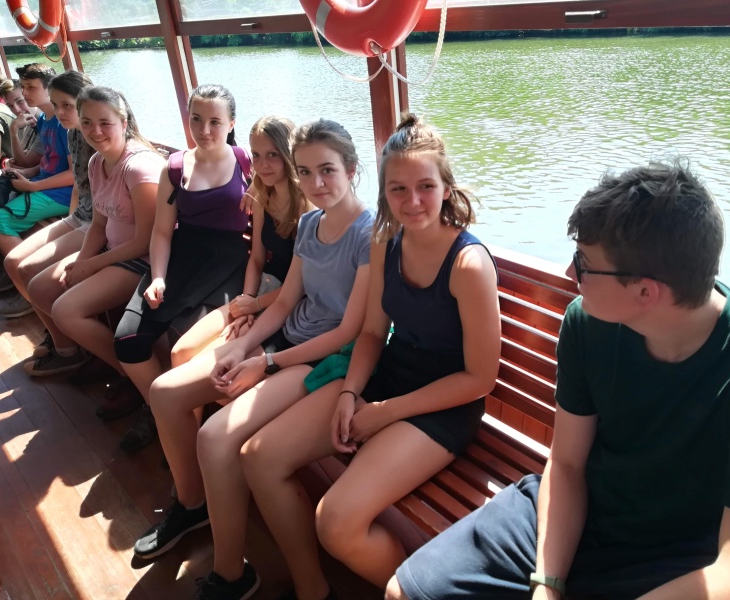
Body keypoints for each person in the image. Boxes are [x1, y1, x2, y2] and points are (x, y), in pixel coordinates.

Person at [385, 160, 730, 600]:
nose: (569, 273)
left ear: (645, 292)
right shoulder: (589, 323)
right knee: (405, 593)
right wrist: (548, 583)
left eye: (583, 264)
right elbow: (567, 463)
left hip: (673, 556)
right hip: (576, 510)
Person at [190, 114, 500, 600]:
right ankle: (313, 591)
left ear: (446, 185)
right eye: (398, 189)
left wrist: (384, 412)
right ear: (384, 193)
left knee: (335, 523)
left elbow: (480, 378)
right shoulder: (385, 242)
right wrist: (350, 393)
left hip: (442, 405)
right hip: (384, 379)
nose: (412, 201)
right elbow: (373, 332)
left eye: (425, 186)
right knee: (259, 457)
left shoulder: (468, 263)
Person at [133, 120, 374, 585]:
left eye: (327, 170)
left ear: (351, 168)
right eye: (306, 172)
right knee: (164, 392)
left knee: (215, 438)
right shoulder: (310, 224)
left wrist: (265, 361)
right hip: (283, 338)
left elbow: (349, 330)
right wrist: (242, 345)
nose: (316, 183)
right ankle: (193, 505)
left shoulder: (369, 235)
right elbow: (285, 302)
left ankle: (230, 574)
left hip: (321, 359)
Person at [112, 84, 253, 454]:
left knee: (184, 342)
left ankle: (183, 434)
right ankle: (158, 412)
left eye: (215, 122)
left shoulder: (247, 164)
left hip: (227, 265)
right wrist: (158, 276)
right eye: (196, 119)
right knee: (127, 341)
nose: (204, 130)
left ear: (232, 123)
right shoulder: (174, 168)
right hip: (179, 259)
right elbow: (161, 231)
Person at [24, 86, 164, 393]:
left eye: (105, 123)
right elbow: (99, 224)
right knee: (40, 288)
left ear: (123, 123)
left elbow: (145, 242)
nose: (95, 131)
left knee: (66, 310)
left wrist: (92, 264)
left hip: (142, 261)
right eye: (87, 122)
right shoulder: (97, 162)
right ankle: (101, 357)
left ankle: (131, 378)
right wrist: (82, 261)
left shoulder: (139, 168)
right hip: (113, 251)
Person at [170, 115, 311, 366]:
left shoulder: (306, 210)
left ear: (289, 155)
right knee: (180, 352)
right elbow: (256, 258)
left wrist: (254, 305)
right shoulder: (262, 198)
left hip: (289, 301)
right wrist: (247, 299)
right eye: (256, 155)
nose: (262, 165)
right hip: (263, 287)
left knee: (205, 364)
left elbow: (302, 286)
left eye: (272, 155)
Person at [0, 71, 95, 325]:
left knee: (0, 222)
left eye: (67, 105)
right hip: (78, 212)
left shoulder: (78, 133)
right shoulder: (65, 129)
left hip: (68, 203)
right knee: (15, 262)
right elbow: (76, 185)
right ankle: (37, 305)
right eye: (56, 104)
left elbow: (74, 179)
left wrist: (33, 185)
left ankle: (37, 303)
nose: (60, 111)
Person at [0, 64, 73, 290]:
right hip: (43, 185)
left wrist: (32, 186)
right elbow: (47, 162)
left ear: (49, 89)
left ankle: (32, 281)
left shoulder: (64, 123)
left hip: (61, 194)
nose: (25, 93)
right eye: (24, 87)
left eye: (30, 87)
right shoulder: (44, 121)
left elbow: (73, 175)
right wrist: (26, 174)